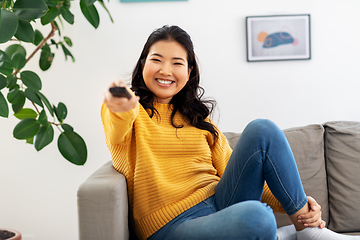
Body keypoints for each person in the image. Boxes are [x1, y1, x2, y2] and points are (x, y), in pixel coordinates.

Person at [102, 25, 359, 240]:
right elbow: (117, 123)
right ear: (143, 63)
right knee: (258, 217)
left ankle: (307, 229)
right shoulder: (131, 113)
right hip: (172, 226)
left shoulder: (200, 121)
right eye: (156, 60)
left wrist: (300, 204)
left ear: (189, 71)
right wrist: (120, 105)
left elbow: (242, 172)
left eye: (177, 63)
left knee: (262, 128)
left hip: (221, 203)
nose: (165, 70)